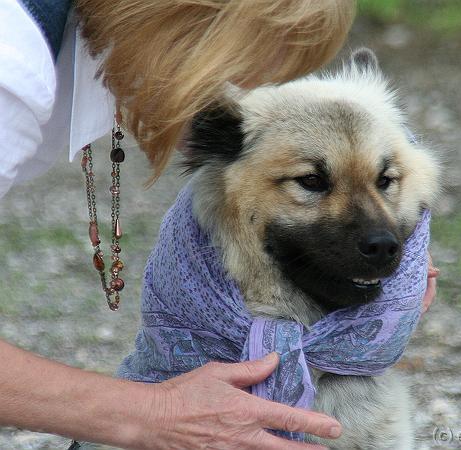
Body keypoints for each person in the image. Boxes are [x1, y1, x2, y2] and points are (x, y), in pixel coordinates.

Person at [0, 1, 437, 448]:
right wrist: (154, 411)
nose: (261, 92)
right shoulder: (9, 64)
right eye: (273, 58)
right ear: (195, 21)